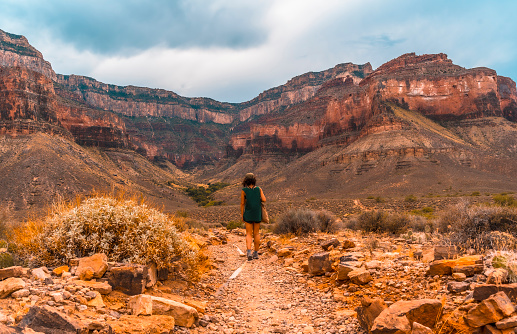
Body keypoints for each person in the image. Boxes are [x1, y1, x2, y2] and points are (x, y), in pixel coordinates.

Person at [241, 173, 266, 261]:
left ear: (246, 181)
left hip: (248, 213)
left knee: (248, 233)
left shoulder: (244, 190)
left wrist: (242, 215)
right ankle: (256, 253)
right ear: (254, 180)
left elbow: (242, 204)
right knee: (256, 233)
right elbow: (264, 200)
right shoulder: (259, 189)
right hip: (257, 213)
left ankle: (248, 252)